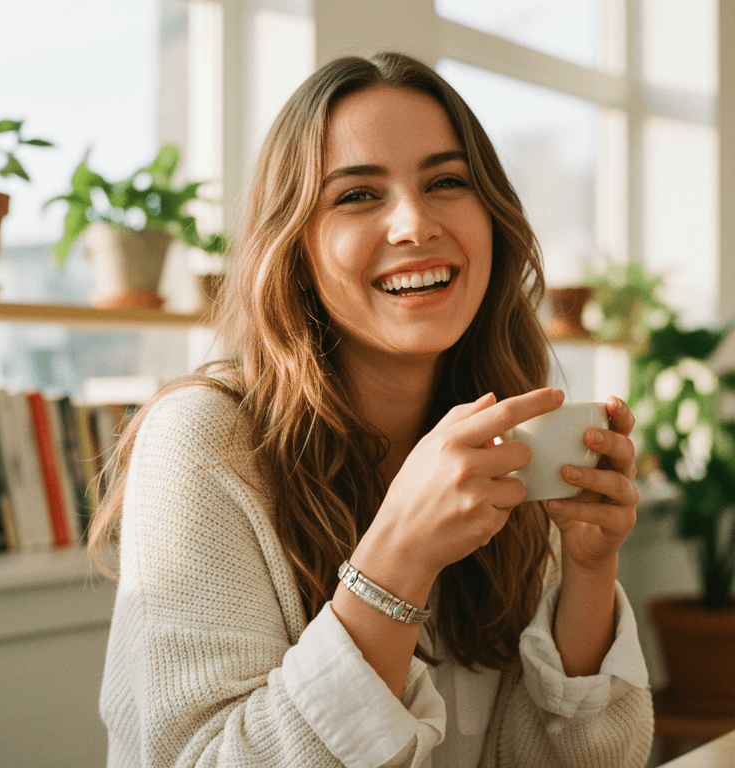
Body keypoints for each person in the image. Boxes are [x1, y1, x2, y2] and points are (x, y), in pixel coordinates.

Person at [92, 52, 653, 767]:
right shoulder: (202, 441)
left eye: (446, 182)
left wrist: (589, 570)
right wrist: (397, 562)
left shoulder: (507, 437)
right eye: (357, 195)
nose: (415, 224)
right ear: (295, 248)